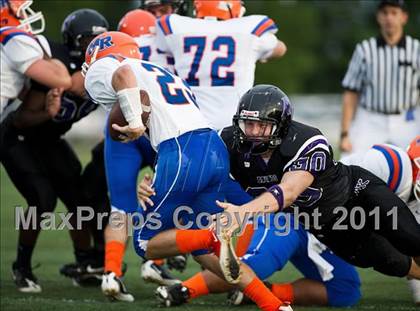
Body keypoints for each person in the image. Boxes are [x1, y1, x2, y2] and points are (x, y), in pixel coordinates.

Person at [83, 31, 292, 311]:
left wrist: (134, 121)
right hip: (212, 148)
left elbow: (121, 74)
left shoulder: (108, 67)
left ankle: (212, 235)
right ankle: (274, 306)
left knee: (146, 244)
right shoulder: (161, 72)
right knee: (200, 250)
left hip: (181, 152)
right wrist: (161, 173)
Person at [209, 85, 420, 289]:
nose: (254, 132)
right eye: (248, 123)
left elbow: (289, 191)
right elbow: (199, 160)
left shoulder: (304, 140)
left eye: (262, 125)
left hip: (357, 195)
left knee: (410, 238)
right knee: (391, 262)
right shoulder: (228, 142)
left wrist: (242, 212)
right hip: (323, 223)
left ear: (281, 125)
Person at [1, 7, 109, 293]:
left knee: (81, 198)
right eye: (87, 42)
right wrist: (51, 111)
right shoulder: (56, 64)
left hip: (50, 139)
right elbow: (22, 118)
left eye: (99, 43)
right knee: (43, 200)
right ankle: (22, 267)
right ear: (73, 42)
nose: (94, 49)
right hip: (19, 136)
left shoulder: (107, 73)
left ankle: (84, 263)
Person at [155, 0, 287, 130]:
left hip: (189, 122)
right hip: (234, 123)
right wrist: (261, 54)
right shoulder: (248, 31)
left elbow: (161, 46)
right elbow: (281, 49)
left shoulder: (177, 27)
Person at [341, 137, 420, 304]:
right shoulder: (390, 163)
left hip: (348, 231)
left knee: (343, 293)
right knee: (388, 252)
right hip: (322, 217)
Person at [340, 0, 419, 155]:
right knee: (350, 160)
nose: (389, 18)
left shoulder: (416, 49)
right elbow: (351, 93)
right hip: (371, 118)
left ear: (404, 17)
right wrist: (344, 134)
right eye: (385, 13)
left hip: (407, 119)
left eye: (394, 13)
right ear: (379, 17)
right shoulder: (364, 50)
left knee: (416, 166)